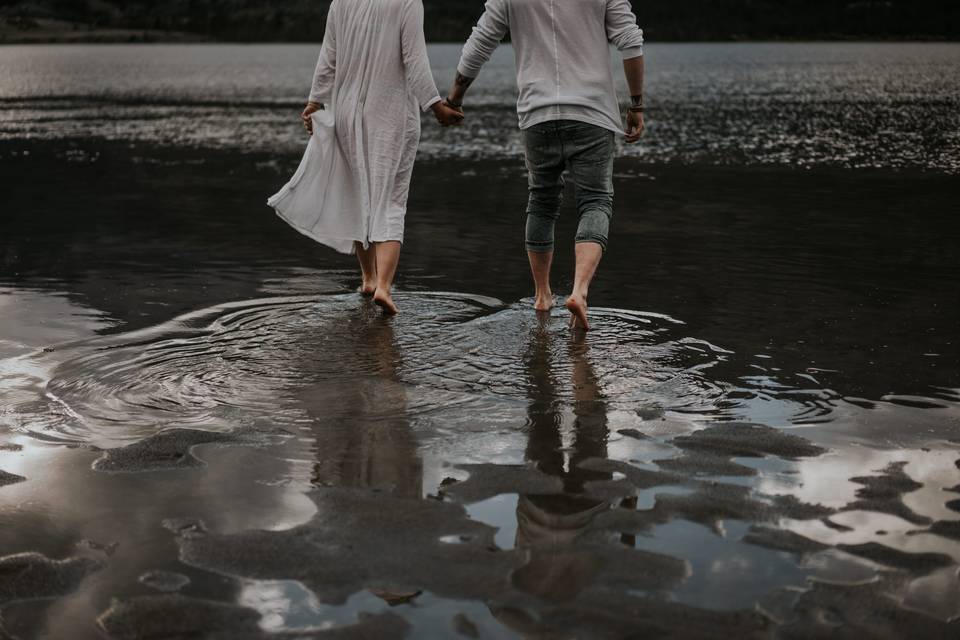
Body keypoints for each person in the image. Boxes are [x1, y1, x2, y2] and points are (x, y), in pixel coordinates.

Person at [445, 0, 646, 330]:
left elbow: (481, 41)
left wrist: (455, 96)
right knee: (595, 201)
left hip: (537, 113)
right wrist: (636, 104)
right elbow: (630, 40)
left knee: (541, 201)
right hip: (592, 112)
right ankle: (579, 293)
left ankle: (542, 296)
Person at [287, 0, 463, 315]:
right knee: (391, 201)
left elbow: (329, 56)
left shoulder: (341, 3)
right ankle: (383, 286)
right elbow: (414, 60)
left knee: (358, 196)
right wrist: (436, 106)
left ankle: (367, 279)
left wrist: (315, 101)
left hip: (347, 115)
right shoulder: (407, 2)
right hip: (391, 116)